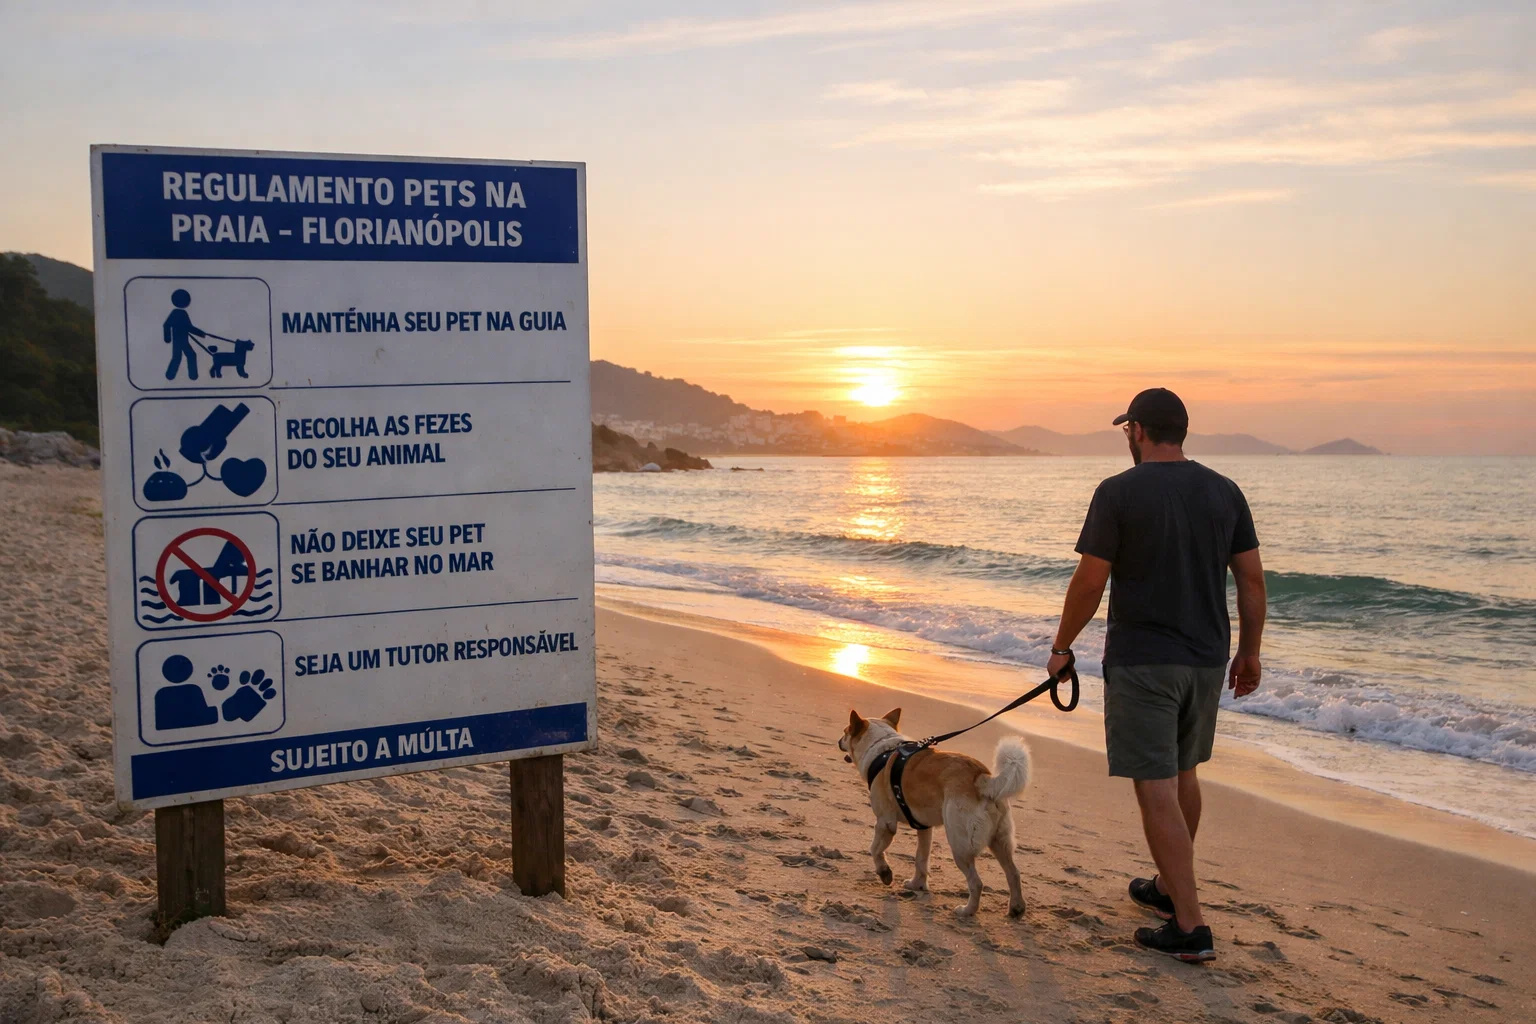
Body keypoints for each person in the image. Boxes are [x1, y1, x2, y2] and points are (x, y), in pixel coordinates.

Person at [1045, 387, 1266, 963]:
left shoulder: (1118, 492)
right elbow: (1251, 581)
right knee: (1184, 771)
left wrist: (1062, 646)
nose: (1127, 438)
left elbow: (1091, 581)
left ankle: (1189, 926)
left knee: (1155, 784)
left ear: (1138, 430)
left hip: (1144, 660)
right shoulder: (1225, 491)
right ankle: (1169, 888)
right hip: (1206, 659)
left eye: (1127, 430)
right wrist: (1250, 652)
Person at [163, 288, 209, 381]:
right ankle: (176, 375)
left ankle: (174, 375)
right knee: (182, 356)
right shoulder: (177, 313)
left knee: (182, 356)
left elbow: (189, 327)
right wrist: (167, 338)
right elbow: (167, 325)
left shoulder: (182, 313)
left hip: (182, 340)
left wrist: (201, 333)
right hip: (179, 340)